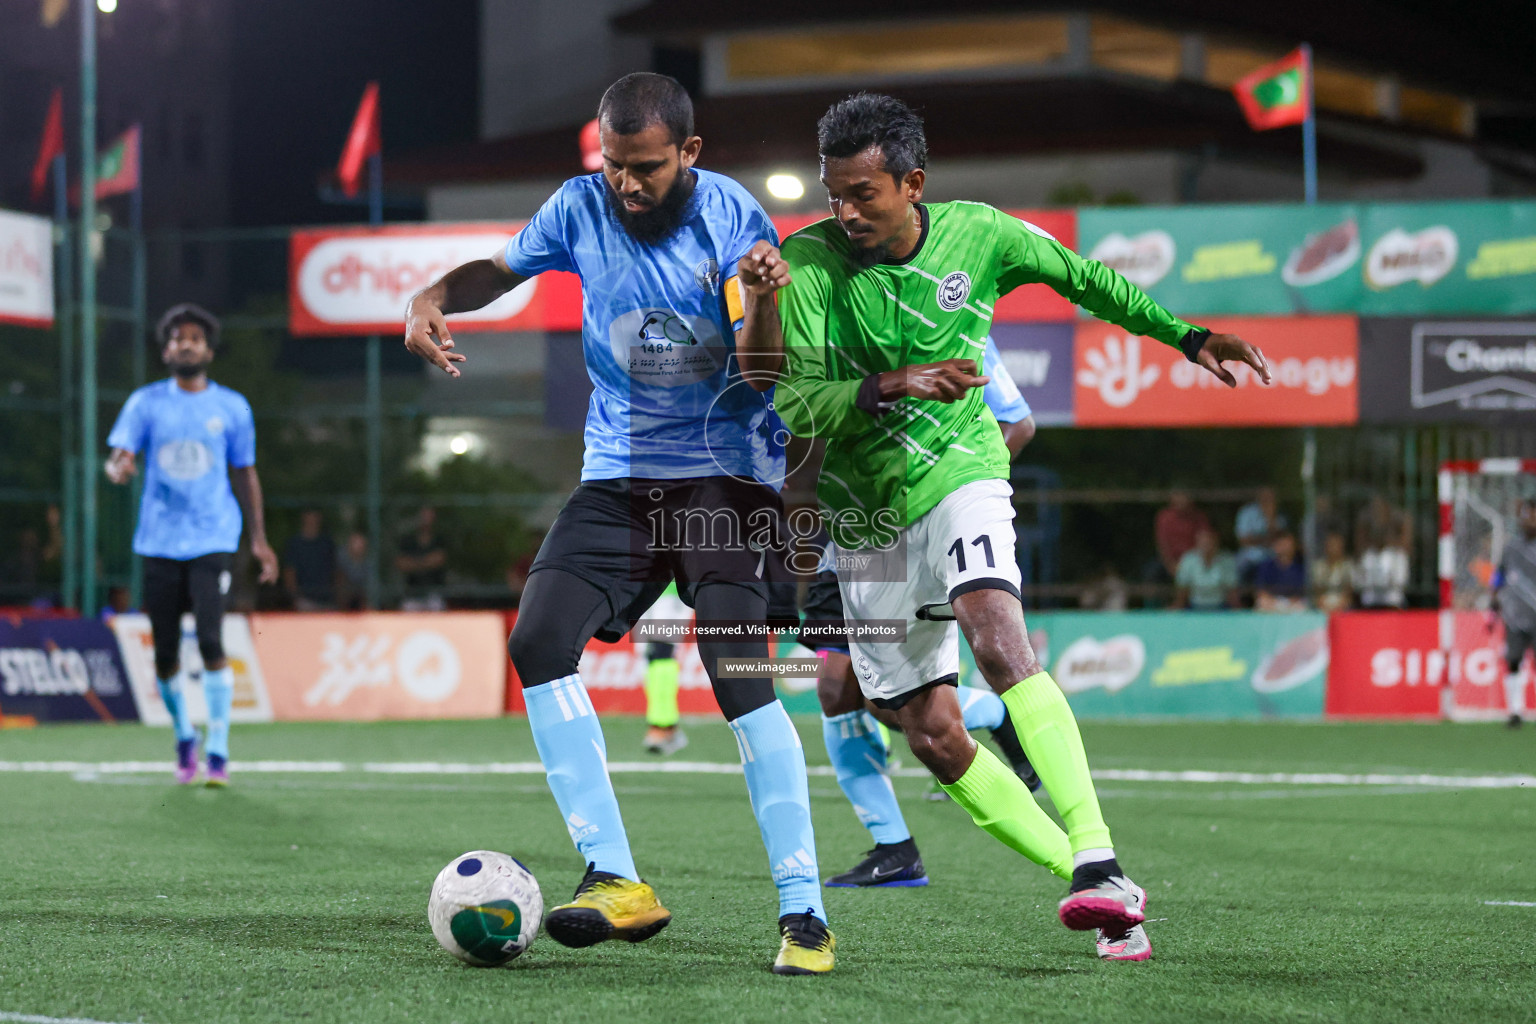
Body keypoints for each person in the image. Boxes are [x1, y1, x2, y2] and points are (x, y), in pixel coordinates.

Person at [774, 93, 1270, 963]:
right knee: (924, 727)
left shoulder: (983, 235)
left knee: (999, 639)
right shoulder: (807, 261)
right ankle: (1104, 893)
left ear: (912, 182)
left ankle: (1097, 853)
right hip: (866, 518)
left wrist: (1187, 338)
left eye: (862, 193)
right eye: (832, 192)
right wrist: (886, 394)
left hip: (962, 470)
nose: (843, 211)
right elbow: (794, 400)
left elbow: (1090, 282)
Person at [403, 73, 834, 973]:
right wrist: (431, 296)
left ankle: (803, 911)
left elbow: (763, 378)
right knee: (538, 641)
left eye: (643, 168)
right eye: (613, 165)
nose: (627, 185)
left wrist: (760, 299)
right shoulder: (578, 206)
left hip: (726, 475)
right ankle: (616, 878)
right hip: (621, 475)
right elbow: (500, 269)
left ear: (689, 153)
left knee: (736, 667)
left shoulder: (732, 219)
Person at [805, 336, 1043, 887]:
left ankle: (991, 722)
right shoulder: (836, 320)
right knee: (847, 692)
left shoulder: (962, 329)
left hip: (904, 541)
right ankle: (895, 848)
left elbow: (1020, 424)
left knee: (872, 698)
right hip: (844, 532)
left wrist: (954, 498)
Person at [104, 303, 278, 786]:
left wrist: (259, 540)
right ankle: (185, 734)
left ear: (208, 350)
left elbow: (245, 473)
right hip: (158, 541)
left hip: (213, 538)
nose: (186, 344)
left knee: (209, 639)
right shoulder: (145, 404)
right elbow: (119, 457)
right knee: (164, 655)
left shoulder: (232, 407)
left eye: (195, 338)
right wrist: (117, 468)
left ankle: (218, 749)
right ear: (166, 351)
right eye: (178, 338)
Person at [1491, 499, 1536, 728]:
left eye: (1531, 515)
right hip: (1515, 615)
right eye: (1525, 515)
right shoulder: (1512, 547)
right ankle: (1515, 711)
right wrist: (1493, 606)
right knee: (1514, 661)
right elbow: (1498, 575)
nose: (1527, 520)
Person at [635, 580, 690, 755]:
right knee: (649, 657)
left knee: (662, 653)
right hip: (642, 589)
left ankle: (661, 726)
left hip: (671, 590)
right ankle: (669, 727)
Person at [283, 509, 337, 610]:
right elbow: (289, 573)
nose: (312, 521)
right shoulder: (294, 544)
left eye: (315, 517)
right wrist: (296, 599)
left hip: (327, 602)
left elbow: (335, 572)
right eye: (309, 516)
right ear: (303, 518)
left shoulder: (327, 543)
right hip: (304, 602)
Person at [396, 506, 447, 611]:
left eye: (428, 516)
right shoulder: (408, 541)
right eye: (423, 516)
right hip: (412, 593)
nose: (426, 520)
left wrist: (414, 563)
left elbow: (439, 559)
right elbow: (401, 563)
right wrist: (426, 562)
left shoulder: (439, 539)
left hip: (434, 593)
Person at [1174, 527, 1238, 610]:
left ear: (1216, 541)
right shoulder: (1188, 560)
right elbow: (1183, 589)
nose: (1207, 544)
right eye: (1203, 541)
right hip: (1194, 607)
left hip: (1220, 607)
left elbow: (1232, 591)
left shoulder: (1227, 560)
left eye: (1210, 541)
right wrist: (1178, 607)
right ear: (1197, 542)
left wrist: (1237, 610)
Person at [1154, 491, 1209, 582]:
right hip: (1170, 560)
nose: (1182, 500)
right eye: (1179, 496)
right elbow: (1162, 544)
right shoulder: (1164, 517)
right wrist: (1171, 565)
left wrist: (1191, 563)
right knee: (1152, 573)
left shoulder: (1199, 517)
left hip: (1194, 560)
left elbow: (1205, 542)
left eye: (1184, 496)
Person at [1235, 487, 1286, 583]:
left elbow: (1279, 541)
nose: (1268, 501)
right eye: (1265, 498)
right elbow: (1243, 540)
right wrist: (1265, 540)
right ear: (1259, 498)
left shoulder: (1279, 517)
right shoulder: (1247, 513)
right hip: (1250, 560)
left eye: (1271, 498)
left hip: (1272, 560)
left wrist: (1270, 519)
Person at [1254, 530, 1307, 612]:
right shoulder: (1266, 566)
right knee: (1261, 602)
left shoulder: (1302, 567)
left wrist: (1288, 603)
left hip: (1293, 604)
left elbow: (1304, 593)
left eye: (1287, 544)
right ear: (1275, 546)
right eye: (1281, 544)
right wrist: (1276, 602)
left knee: (1303, 605)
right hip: (1273, 603)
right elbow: (1261, 591)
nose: (1285, 548)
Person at [1309, 531, 1355, 613]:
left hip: (1342, 603)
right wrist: (1323, 603)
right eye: (1331, 545)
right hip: (1323, 603)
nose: (1334, 548)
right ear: (1326, 547)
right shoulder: (1318, 566)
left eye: (1336, 545)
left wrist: (1340, 605)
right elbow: (1317, 590)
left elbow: (1349, 591)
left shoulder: (1348, 566)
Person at [335, 530, 370, 611]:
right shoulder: (341, 560)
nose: (358, 546)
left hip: (362, 604)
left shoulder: (369, 563)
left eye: (361, 542)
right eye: (355, 542)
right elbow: (339, 583)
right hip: (344, 604)